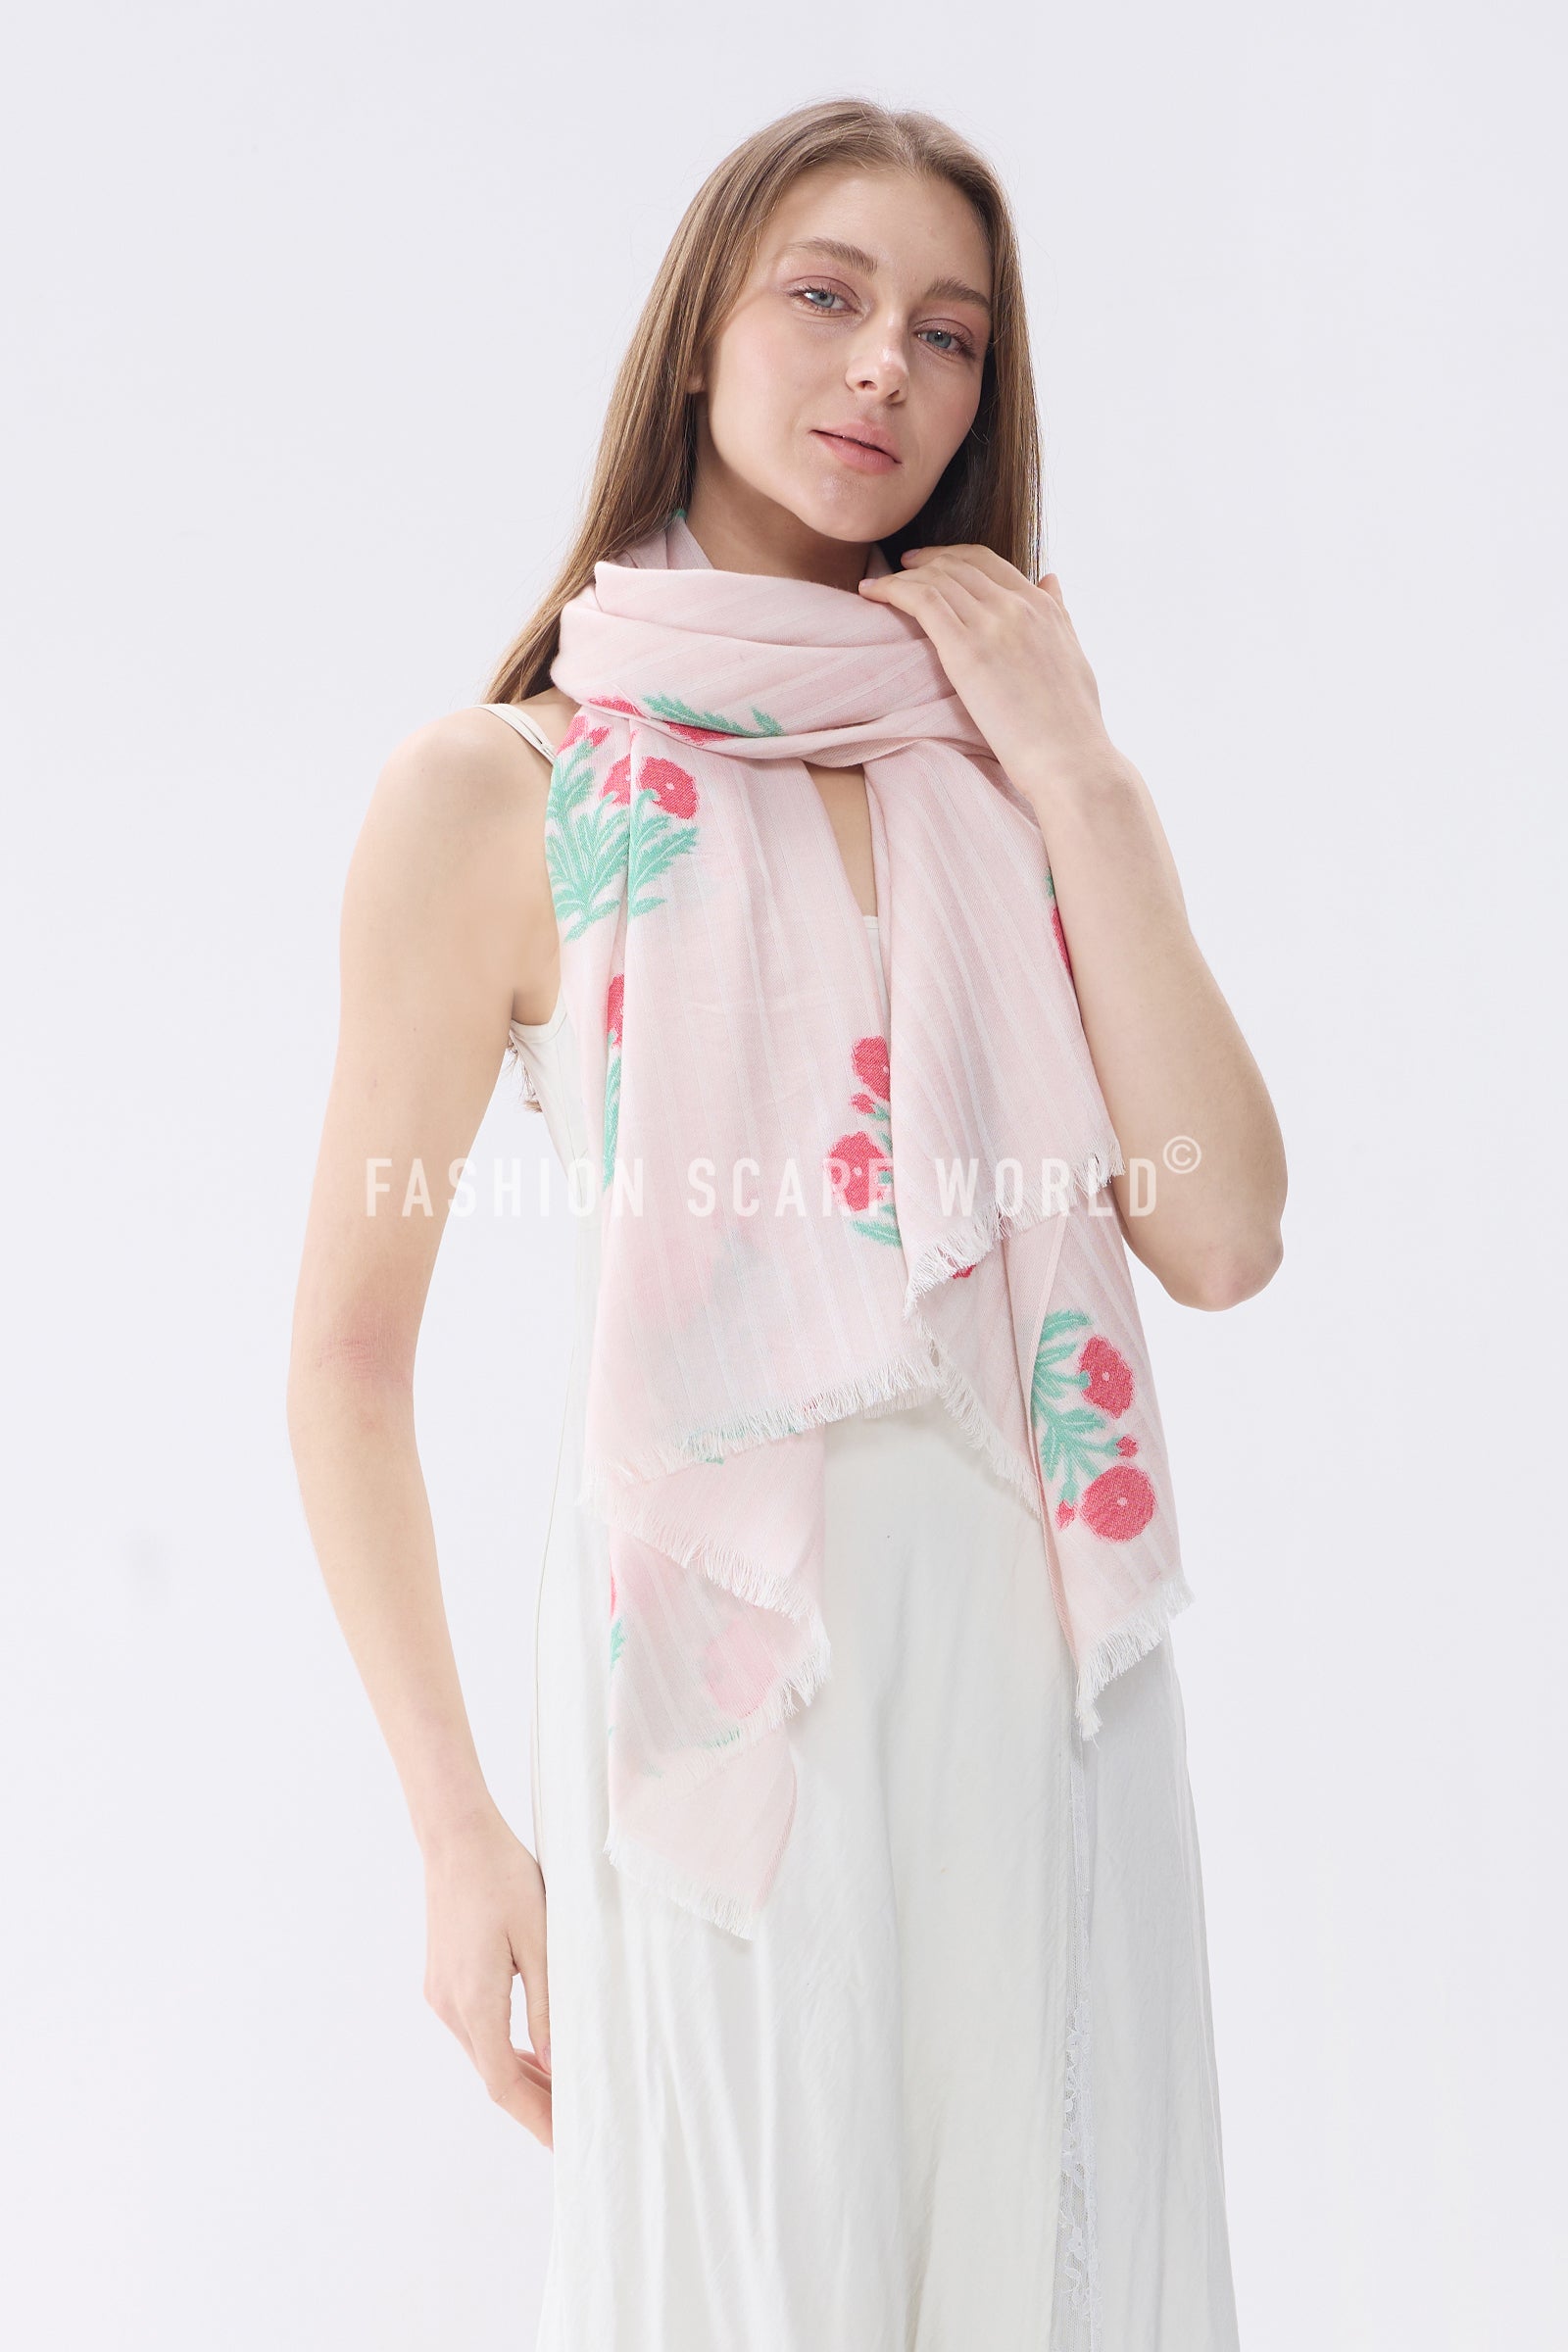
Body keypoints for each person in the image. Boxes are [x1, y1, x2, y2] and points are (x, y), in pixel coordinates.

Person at [288, 96, 1284, 2351]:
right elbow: (343, 1362)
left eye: (946, 334)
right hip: (716, 1672)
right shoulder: (506, 789)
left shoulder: (1005, 776)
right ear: (696, 333)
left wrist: (1077, 764)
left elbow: (1219, 1234)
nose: (881, 370)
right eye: (823, 297)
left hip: (1038, 1668)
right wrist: (455, 1832)